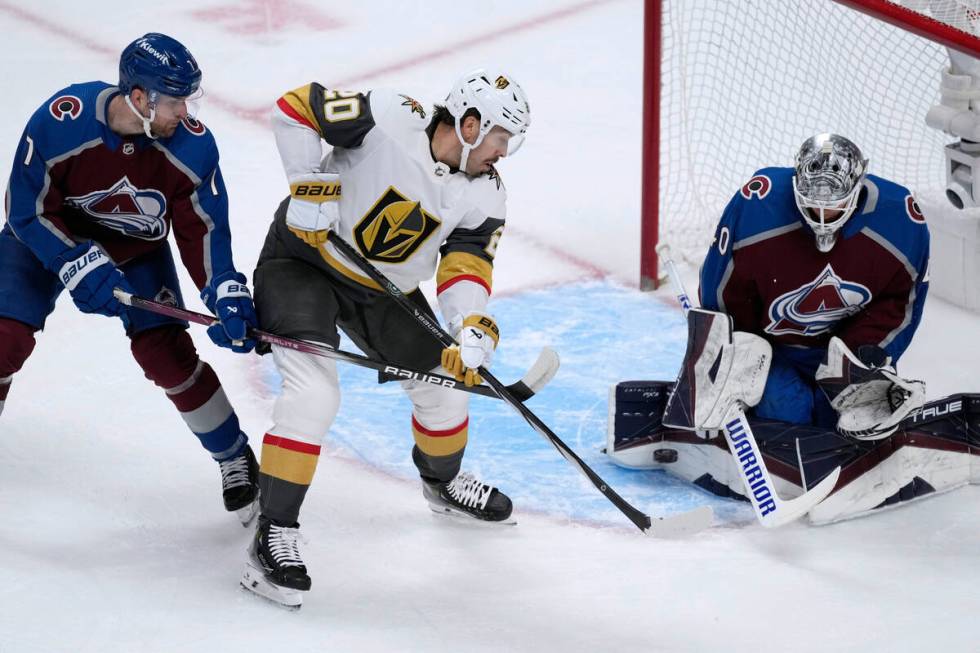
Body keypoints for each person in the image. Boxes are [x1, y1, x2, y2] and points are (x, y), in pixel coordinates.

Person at [240, 69, 530, 606]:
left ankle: (442, 485)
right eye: (501, 137)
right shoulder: (392, 115)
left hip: (383, 290)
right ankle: (273, 530)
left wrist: (469, 324)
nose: (504, 152)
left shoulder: (487, 193)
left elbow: (465, 265)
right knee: (315, 395)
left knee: (446, 382)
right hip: (303, 263)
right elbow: (296, 107)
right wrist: (308, 182)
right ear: (470, 124)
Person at [606, 134, 971, 525]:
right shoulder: (758, 206)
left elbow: (902, 303)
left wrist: (867, 355)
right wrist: (733, 353)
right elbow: (720, 289)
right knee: (790, 414)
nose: (821, 219)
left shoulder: (901, 220)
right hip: (771, 349)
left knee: (846, 424)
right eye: (812, 207)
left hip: (841, 350)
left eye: (832, 211)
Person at [0, 33, 260, 523]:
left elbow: (203, 230)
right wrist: (74, 259)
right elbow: (25, 210)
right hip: (48, 233)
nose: (185, 113)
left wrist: (224, 290)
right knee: (3, 334)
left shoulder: (192, 149)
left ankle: (233, 456)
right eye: (175, 100)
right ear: (139, 97)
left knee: (166, 354)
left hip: (135, 245)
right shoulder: (63, 120)